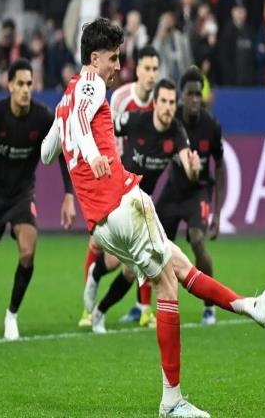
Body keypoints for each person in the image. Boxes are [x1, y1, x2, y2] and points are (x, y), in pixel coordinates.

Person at [41, 17, 265, 418]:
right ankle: (172, 400)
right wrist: (92, 154)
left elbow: (47, 153)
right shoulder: (92, 84)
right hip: (122, 201)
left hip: (101, 224)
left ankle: (246, 305)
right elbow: (80, 120)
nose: (118, 66)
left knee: (178, 265)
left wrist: (70, 137)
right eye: (113, 58)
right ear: (93, 58)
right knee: (168, 287)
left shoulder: (66, 97)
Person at [85, 78, 201, 333]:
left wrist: (193, 168)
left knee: (131, 271)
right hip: (118, 197)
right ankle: (94, 274)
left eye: (172, 102)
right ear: (155, 103)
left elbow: (188, 166)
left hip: (140, 204)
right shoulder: (136, 120)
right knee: (114, 262)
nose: (168, 107)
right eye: (164, 101)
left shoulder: (176, 131)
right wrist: (96, 157)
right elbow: (103, 129)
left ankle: (100, 312)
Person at [79, 44, 160, 329]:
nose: (151, 74)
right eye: (147, 68)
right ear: (137, 70)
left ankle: (144, 309)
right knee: (102, 248)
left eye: (155, 69)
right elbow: (107, 137)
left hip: (142, 184)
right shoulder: (121, 98)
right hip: (115, 180)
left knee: (144, 248)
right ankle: (88, 308)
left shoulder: (160, 102)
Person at [0, 58, 76, 340]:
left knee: (28, 252)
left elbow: (64, 153)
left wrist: (69, 195)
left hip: (21, 195)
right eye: (20, 84)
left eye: (29, 84)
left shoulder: (43, 118)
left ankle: (12, 315)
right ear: (9, 85)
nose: (25, 89)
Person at [156, 67, 224, 326]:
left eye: (199, 94)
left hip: (199, 192)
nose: (195, 99)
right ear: (181, 96)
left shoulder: (211, 125)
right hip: (173, 191)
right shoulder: (172, 121)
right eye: (190, 94)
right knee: (153, 245)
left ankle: (209, 306)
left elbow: (219, 166)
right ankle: (144, 308)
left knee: (197, 240)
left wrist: (218, 214)